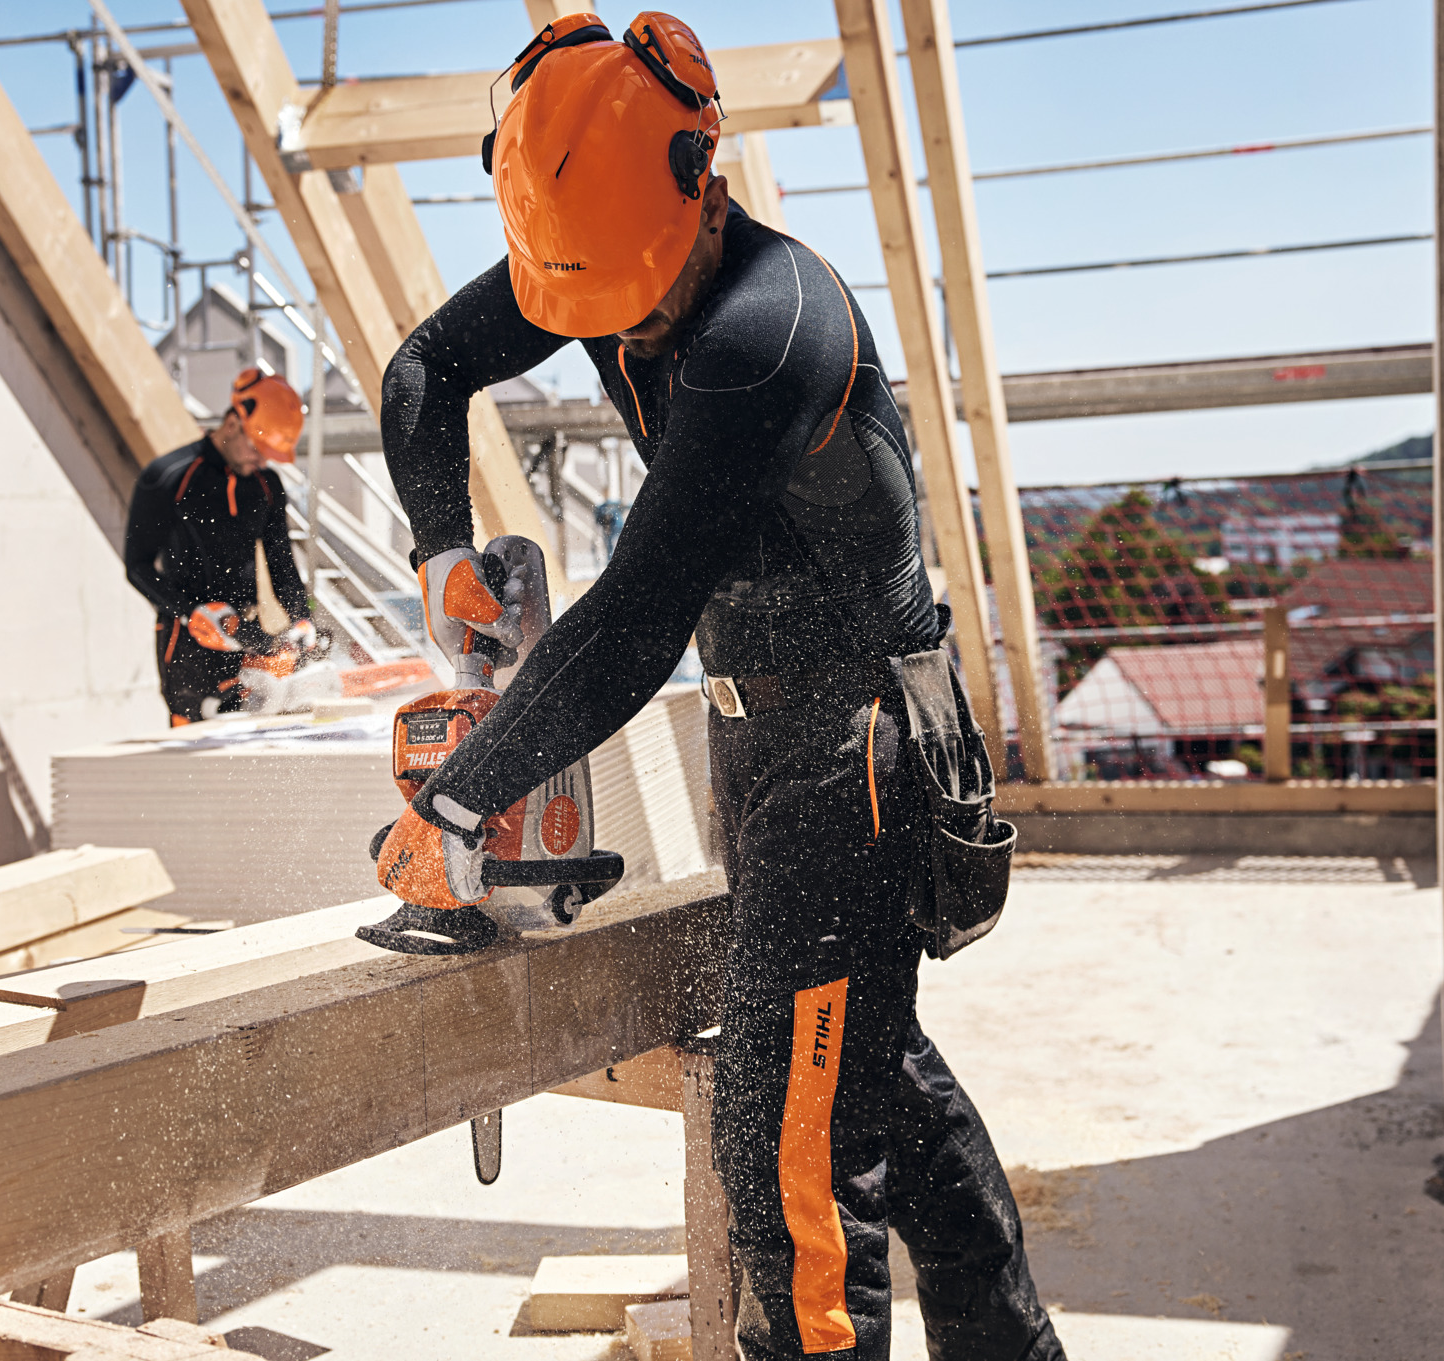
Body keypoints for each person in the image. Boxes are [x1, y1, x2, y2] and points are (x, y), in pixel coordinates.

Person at [370, 14, 1064, 1360]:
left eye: (627, 294)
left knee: (786, 1147)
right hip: (764, 735)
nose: (611, 323)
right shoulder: (596, 250)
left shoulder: (770, 328)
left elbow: (636, 617)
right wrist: (439, 543)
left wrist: (458, 807)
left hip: (858, 747)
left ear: (702, 180)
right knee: (868, 1079)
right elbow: (425, 368)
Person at [124, 368, 317, 726]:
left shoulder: (265, 485)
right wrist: (190, 611)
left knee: (249, 747)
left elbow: (281, 564)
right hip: (187, 641)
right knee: (193, 753)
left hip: (248, 635)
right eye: (257, 449)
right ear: (232, 423)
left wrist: (301, 618)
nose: (261, 461)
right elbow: (137, 567)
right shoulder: (169, 477)